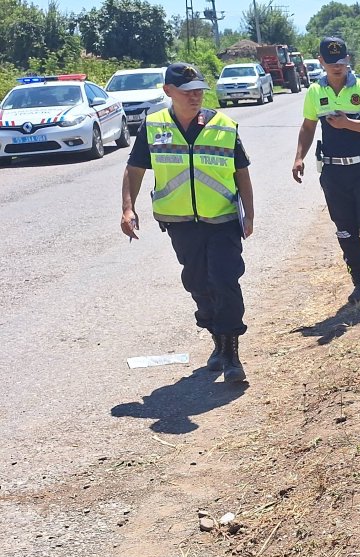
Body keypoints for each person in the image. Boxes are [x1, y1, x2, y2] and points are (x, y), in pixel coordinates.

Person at [120, 62, 254, 382]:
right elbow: (135, 169)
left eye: (199, 92)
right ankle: (218, 342)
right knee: (197, 283)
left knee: (225, 280)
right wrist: (128, 209)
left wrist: (249, 212)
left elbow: (242, 172)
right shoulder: (153, 127)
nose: (195, 97)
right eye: (187, 92)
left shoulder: (223, 125)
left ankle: (232, 354)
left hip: (222, 218)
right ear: (168, 92)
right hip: (180, 222)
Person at [291, 36, 360, 305]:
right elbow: (309, 127)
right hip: (334, 173)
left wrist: (347, 123)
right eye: (331, 62)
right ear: (321, 62)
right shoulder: (315, 92)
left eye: (342, 61)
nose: (337, 67)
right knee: (345, 230)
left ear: (348, 60)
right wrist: (298, 157)